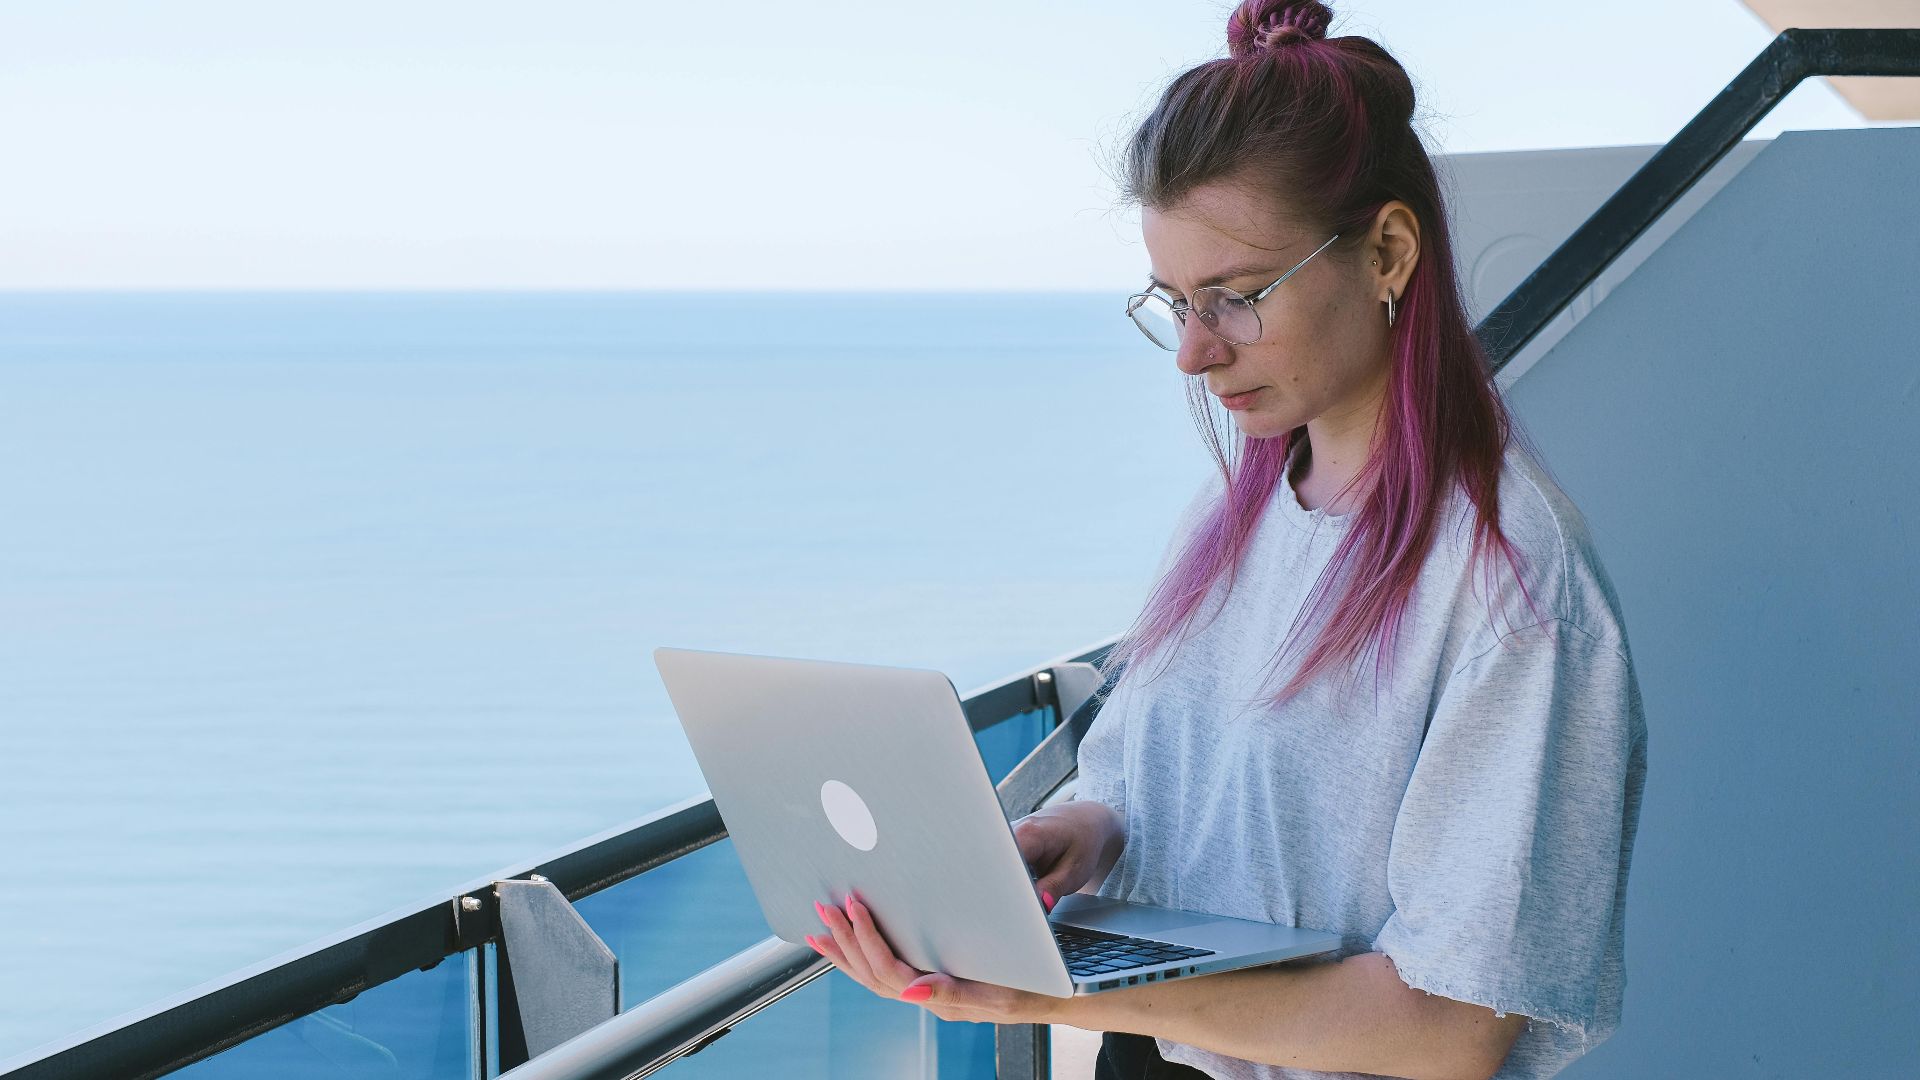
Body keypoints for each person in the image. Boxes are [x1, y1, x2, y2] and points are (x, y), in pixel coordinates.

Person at [804, 1, 1648, 1077]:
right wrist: (1096, 831)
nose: (1192, 355)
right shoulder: (1240, 515)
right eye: (1173, 301)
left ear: (1388, 251)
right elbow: (1180, 779)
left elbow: (1451, 1025)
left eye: (1237, 298)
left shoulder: (1509, 588)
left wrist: (1057, 990)